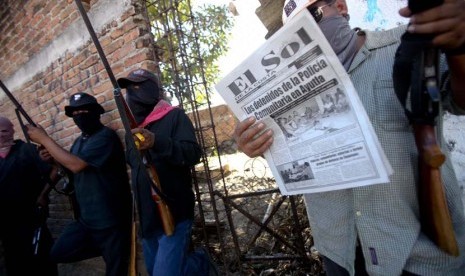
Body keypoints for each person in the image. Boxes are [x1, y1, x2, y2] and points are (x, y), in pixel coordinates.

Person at [232, 0, 465, 275]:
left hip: (417, 255)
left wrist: (459, 45)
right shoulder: (286, 86)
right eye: (294, 31)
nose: (305, 34)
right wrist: (252, 141)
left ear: (340, 7)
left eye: (313, 16)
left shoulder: (405, 48)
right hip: (340, 254)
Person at [117, 68, 217, 276]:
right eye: (129, 89)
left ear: (153, 89)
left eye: (138, 87)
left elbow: (192, 154)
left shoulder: (174, 116)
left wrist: (156, 142)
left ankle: (202, 262)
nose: (133, 93)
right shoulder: (131, 131)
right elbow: (133, 163)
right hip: (147, 218)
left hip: (174, 211)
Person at [27, 92, 132, 276]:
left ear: (96, 112)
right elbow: (69, 167)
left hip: (111, 221)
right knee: (58, 252)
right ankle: (108, 248)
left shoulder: (105, 137)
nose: (79, 116)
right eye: (74, 113)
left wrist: (44, 139)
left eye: (84, 110)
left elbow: (76, 165)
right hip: (87, 221)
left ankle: (115, 248)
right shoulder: (79, 141)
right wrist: (53, 160)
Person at [0, 115, 58, 276]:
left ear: (12, 131)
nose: (0, 135)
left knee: (42, 262)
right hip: (6, 226)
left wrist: (43, 194)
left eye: (4, 130)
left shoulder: (27, 150)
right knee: (15, 264)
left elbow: (55, 170)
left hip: (32, 219)